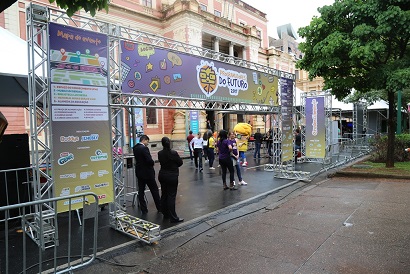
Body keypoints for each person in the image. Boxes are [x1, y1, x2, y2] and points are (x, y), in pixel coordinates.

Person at [158, 137, 184, 223]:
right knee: (171, 196)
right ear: (169, 143)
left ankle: (165, 213)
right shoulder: (173, 153)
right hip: (172, 176)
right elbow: (180, 162)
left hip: (162, 175)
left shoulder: (160, 153)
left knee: (164, 194)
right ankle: (173, 217)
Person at [132, 135, 161, 214]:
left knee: (141, 191)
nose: (147, 143)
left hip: (139, 172)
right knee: (154, 190)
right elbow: (149, 160)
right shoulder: (144, 148)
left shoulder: (135, 148)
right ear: (144, 140)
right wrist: (152, 162)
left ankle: (143, 209)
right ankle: (159, 207)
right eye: (147, 141)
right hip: (147, 173)